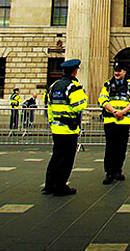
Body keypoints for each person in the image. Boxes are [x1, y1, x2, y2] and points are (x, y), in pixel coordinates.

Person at [43, 58, 88, 197]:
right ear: (75, 71)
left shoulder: (54, 86)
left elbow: (49, 106)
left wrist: (52, 122)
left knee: (56, 156)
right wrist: (84, 96)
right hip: (69, 128)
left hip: (56, 127)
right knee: (66, 158)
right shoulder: (73, 86)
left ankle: (49, 185)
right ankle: (61, 187)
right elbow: (79, 105)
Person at [98, 61, 130, 185]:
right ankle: (109, 172)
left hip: (124, 120)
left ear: (124, 72)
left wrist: (123, 112)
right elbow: (102, 99)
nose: (116, 72)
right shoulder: (108, 85)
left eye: (119, 71)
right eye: (115, 70)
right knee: (110, 147)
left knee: (121, 147)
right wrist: (115, 111)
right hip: (110, 119)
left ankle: (118, 171)